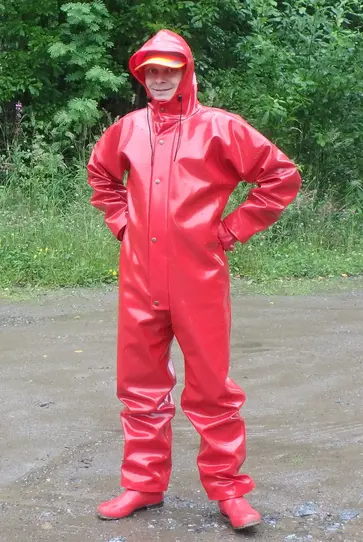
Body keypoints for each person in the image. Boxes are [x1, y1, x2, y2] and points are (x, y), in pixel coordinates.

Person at [87, 29, 301, 531]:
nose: (160, 79)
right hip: (138, 281)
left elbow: (280, 177)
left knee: (212, 389)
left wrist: (231, 230)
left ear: (186, 72)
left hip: (199, 280)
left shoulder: (221, 129)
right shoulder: (127, 130)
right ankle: (142, 484)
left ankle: (229, 489)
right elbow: (101, 176)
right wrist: (122, 222)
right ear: (142, 75)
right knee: (139, 386)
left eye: (170, 69)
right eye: (151, 71)